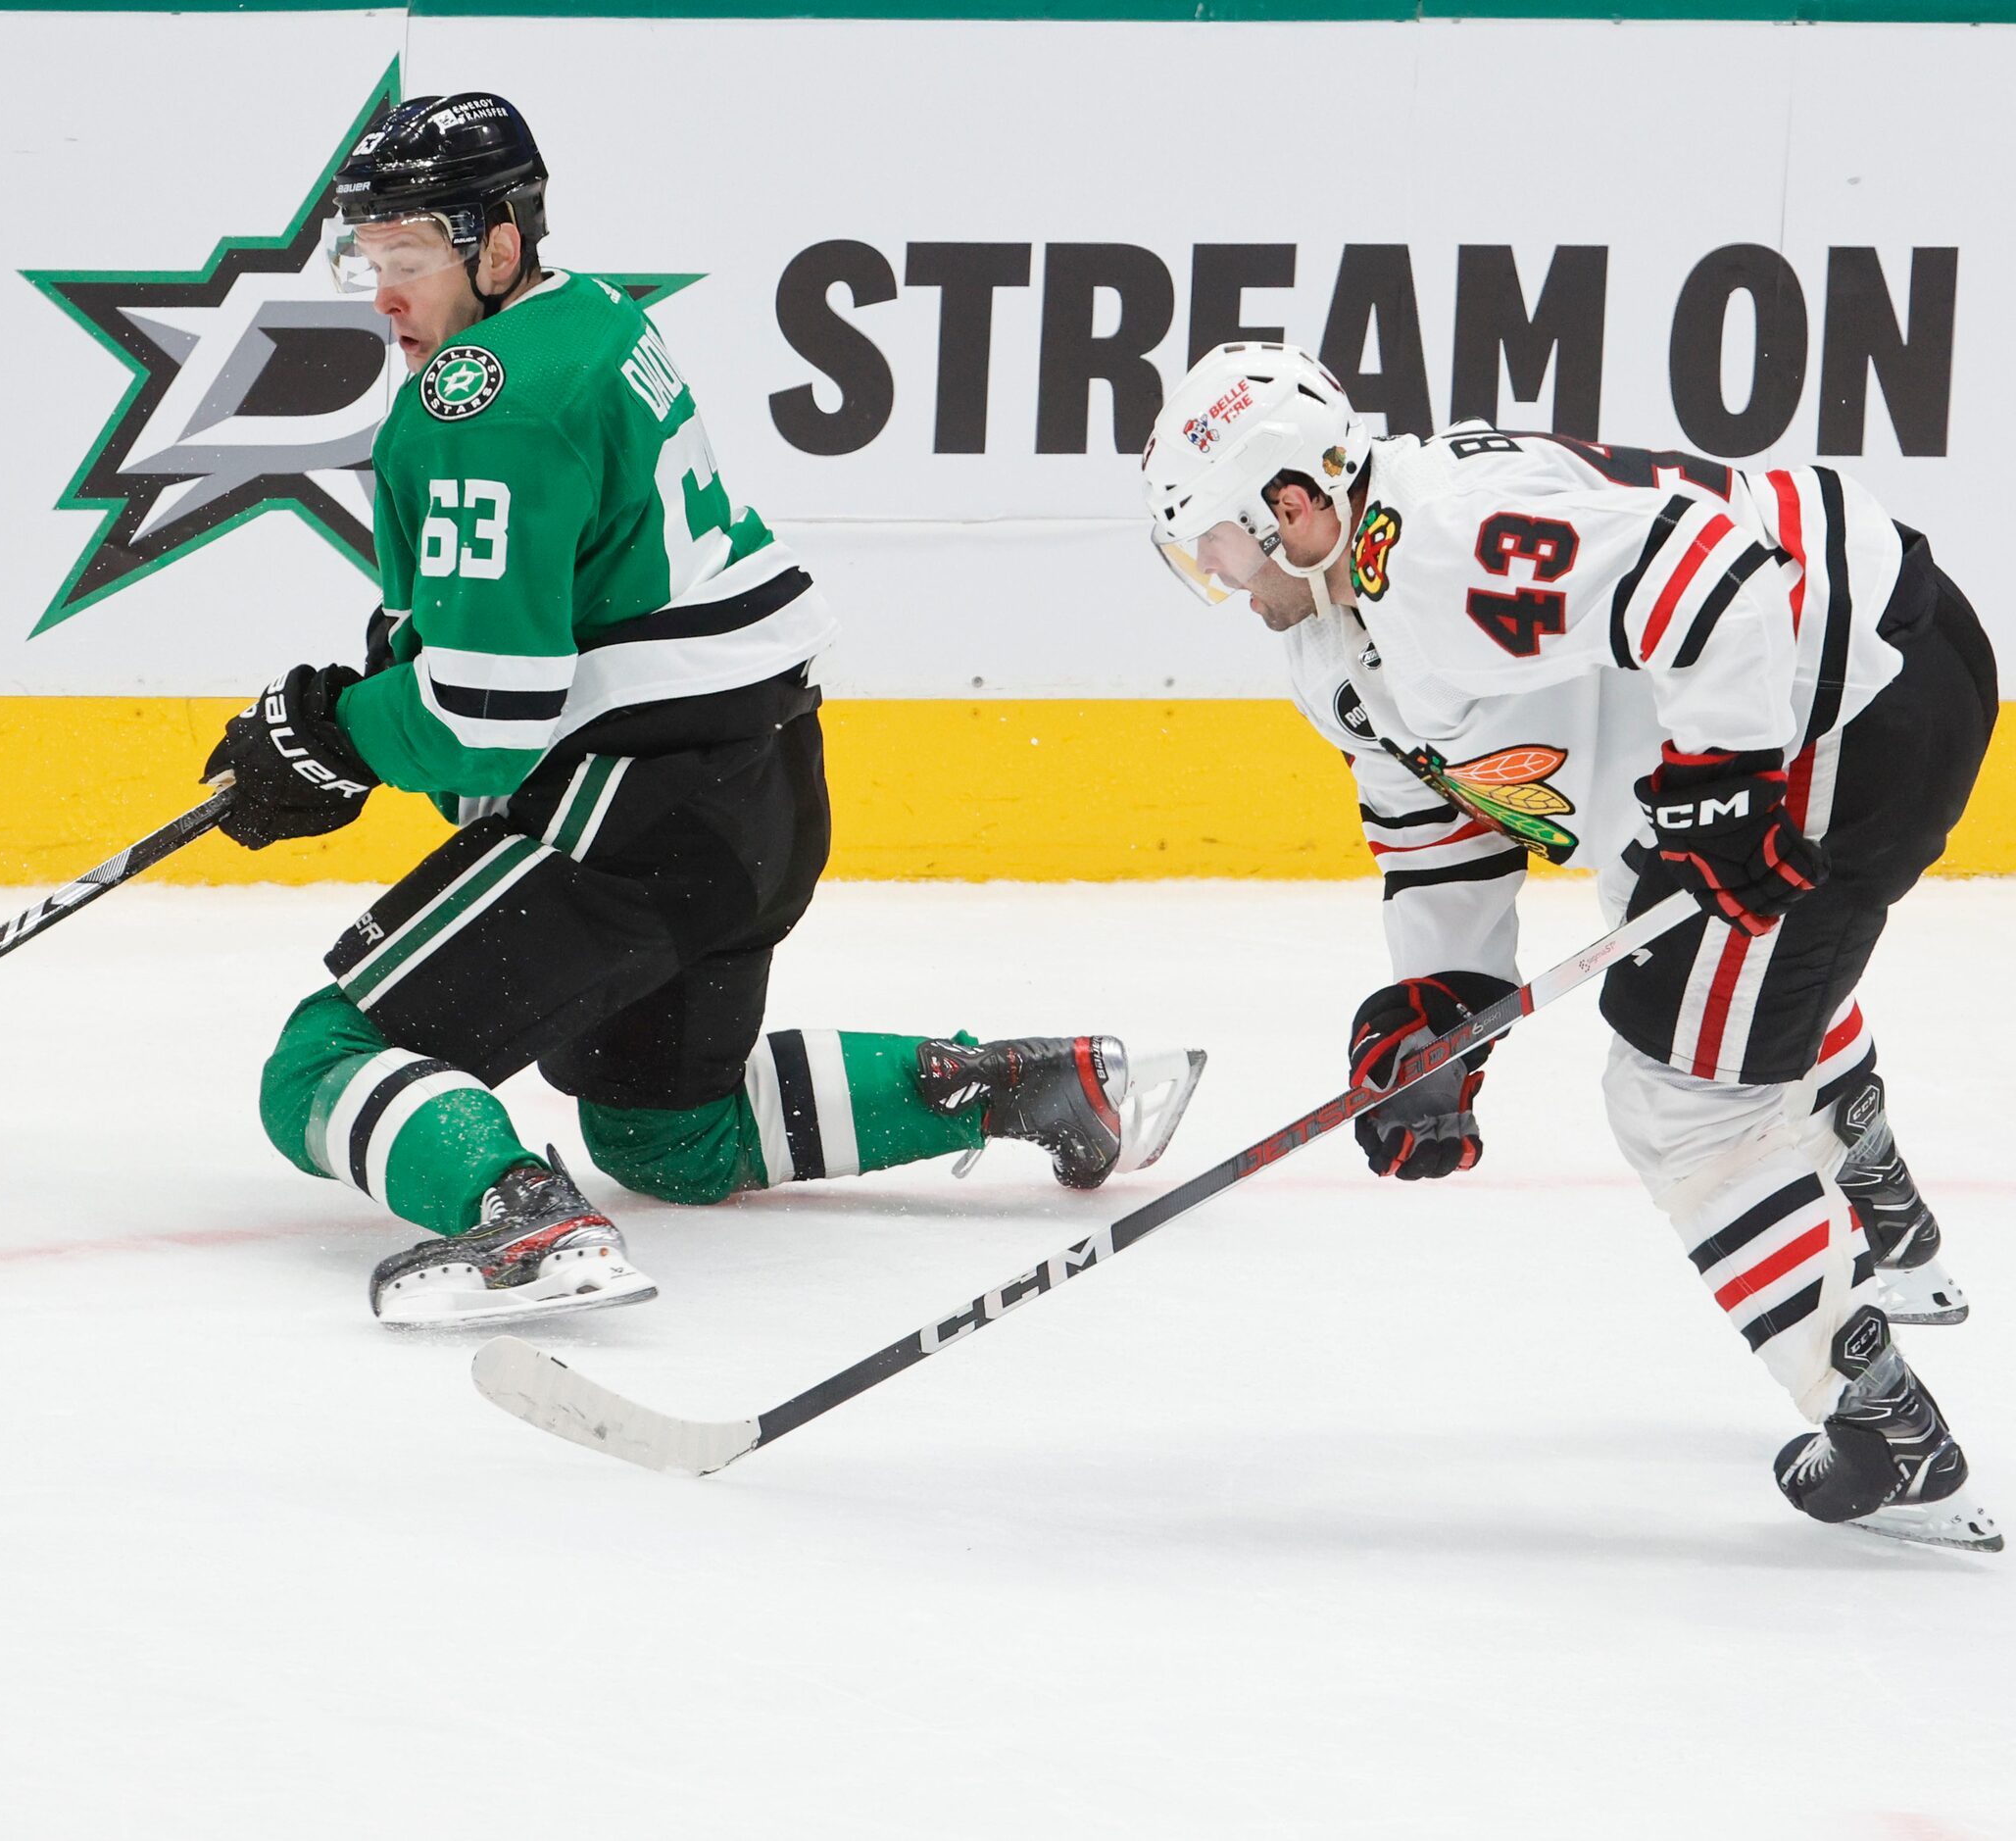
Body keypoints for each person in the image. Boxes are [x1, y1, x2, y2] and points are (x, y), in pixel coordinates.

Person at [201, 93, 1205, 1327]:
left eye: (408, 261)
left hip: (633, 814)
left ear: (498, 244)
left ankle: (524, 1220)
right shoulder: (592, 315)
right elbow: (543, 601)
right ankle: (1019, 1085)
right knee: (665, 1136)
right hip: (762, 787)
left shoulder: (477, 399)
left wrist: (333, 739)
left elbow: (487, 713)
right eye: (371, 261)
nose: (383, 297)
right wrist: (362, 707)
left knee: (316, 1060)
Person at [1139, 341, 1998, 1553]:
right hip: (1841, 680)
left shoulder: (1436, 546)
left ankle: (1880, 1428)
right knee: (1703, 969)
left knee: (1679, 1094)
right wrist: (1438, 997)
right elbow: (1432, 816)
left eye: (1215, 545)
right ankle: (1879, 1209)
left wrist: (1729, 780)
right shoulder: (1332, 633)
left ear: (1291, 508)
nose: (1217, 578)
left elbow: (1714, 575)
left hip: (1849, 694)